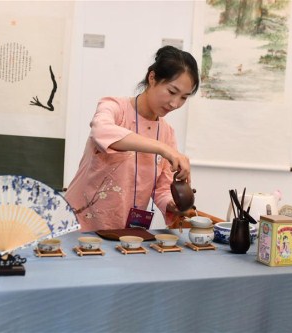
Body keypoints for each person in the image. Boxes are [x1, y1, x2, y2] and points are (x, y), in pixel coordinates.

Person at [65, 45, 200, 231]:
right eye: (171, 91)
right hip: (79, 225)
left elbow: (162, 188)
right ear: (152, 78)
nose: (175, 103)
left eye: (184, 97)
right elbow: (101, 131)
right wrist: (162, 148)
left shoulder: (166, 133)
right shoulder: (114, 108)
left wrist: (171, 204)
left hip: (126, 234)